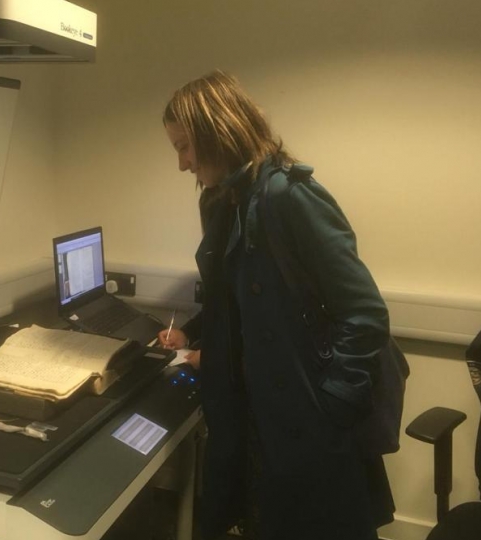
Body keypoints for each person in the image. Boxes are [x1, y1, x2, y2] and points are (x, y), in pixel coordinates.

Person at [158, 70, 394, 539]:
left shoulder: (289, 196)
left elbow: (365, 313)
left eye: (185, 146)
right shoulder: (226, 200)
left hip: (306, 422)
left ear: (216, 133)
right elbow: (238, 297)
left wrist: (332, 408)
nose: (182, 164)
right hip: (255, 420)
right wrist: (196, 333)